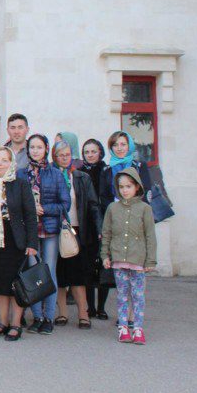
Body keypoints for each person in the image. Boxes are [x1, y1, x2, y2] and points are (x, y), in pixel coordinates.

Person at [0, 147, 39, 342]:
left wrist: (32, 243)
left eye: (4, 160)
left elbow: (30, 215)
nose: (0, 163)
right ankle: (2, 322)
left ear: (12, 163)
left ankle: (16, 324)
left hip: (15, 241)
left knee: (15, 285)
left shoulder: (21, 185)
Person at [19, 133, 70, 335]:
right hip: (29, 231)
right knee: (32, 273)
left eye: (39, 147)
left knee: (49, 272)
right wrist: (29, 209)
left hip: (49, 230)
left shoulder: (55, 174)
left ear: (46, 149)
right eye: (32, 147)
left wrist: (44, 209)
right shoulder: (21, 174)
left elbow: (65, 204)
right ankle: (37, 317)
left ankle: (48, 317)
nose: (35, 151)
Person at [101, 167, 156, 345]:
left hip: (137, 259)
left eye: (128, 186)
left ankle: (138, 328)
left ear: (137, 187)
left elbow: (150, 236)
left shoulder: (145, 209)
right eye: (121, 187)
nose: (125, 190)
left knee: (138, 295)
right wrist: (105, 255)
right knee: (122, 295)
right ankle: (123, 327)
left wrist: (150, 260)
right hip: (118, 259)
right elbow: (107, 233)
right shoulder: (112, 208)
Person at [52, 139, 99, 329]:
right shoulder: (51, 176)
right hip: (56, 230)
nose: (64, 158)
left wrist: (99, 228)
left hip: (77, 230)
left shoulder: (81, 177)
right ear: (54, 157)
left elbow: (93, 205)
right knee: (60, 275)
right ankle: (62, 312)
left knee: (78, 275)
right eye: (60, 155)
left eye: (67, 155)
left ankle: (83, 313)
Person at [79, 138, 110, 320]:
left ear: (100, 152)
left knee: (104, 265)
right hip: (87, 225)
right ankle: (90, 306)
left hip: (105, 222)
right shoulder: (80, 173)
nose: (90, 155)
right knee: (88, 268)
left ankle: (102, 307)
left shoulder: (106, 171)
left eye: (93, 151)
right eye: (87, 152)